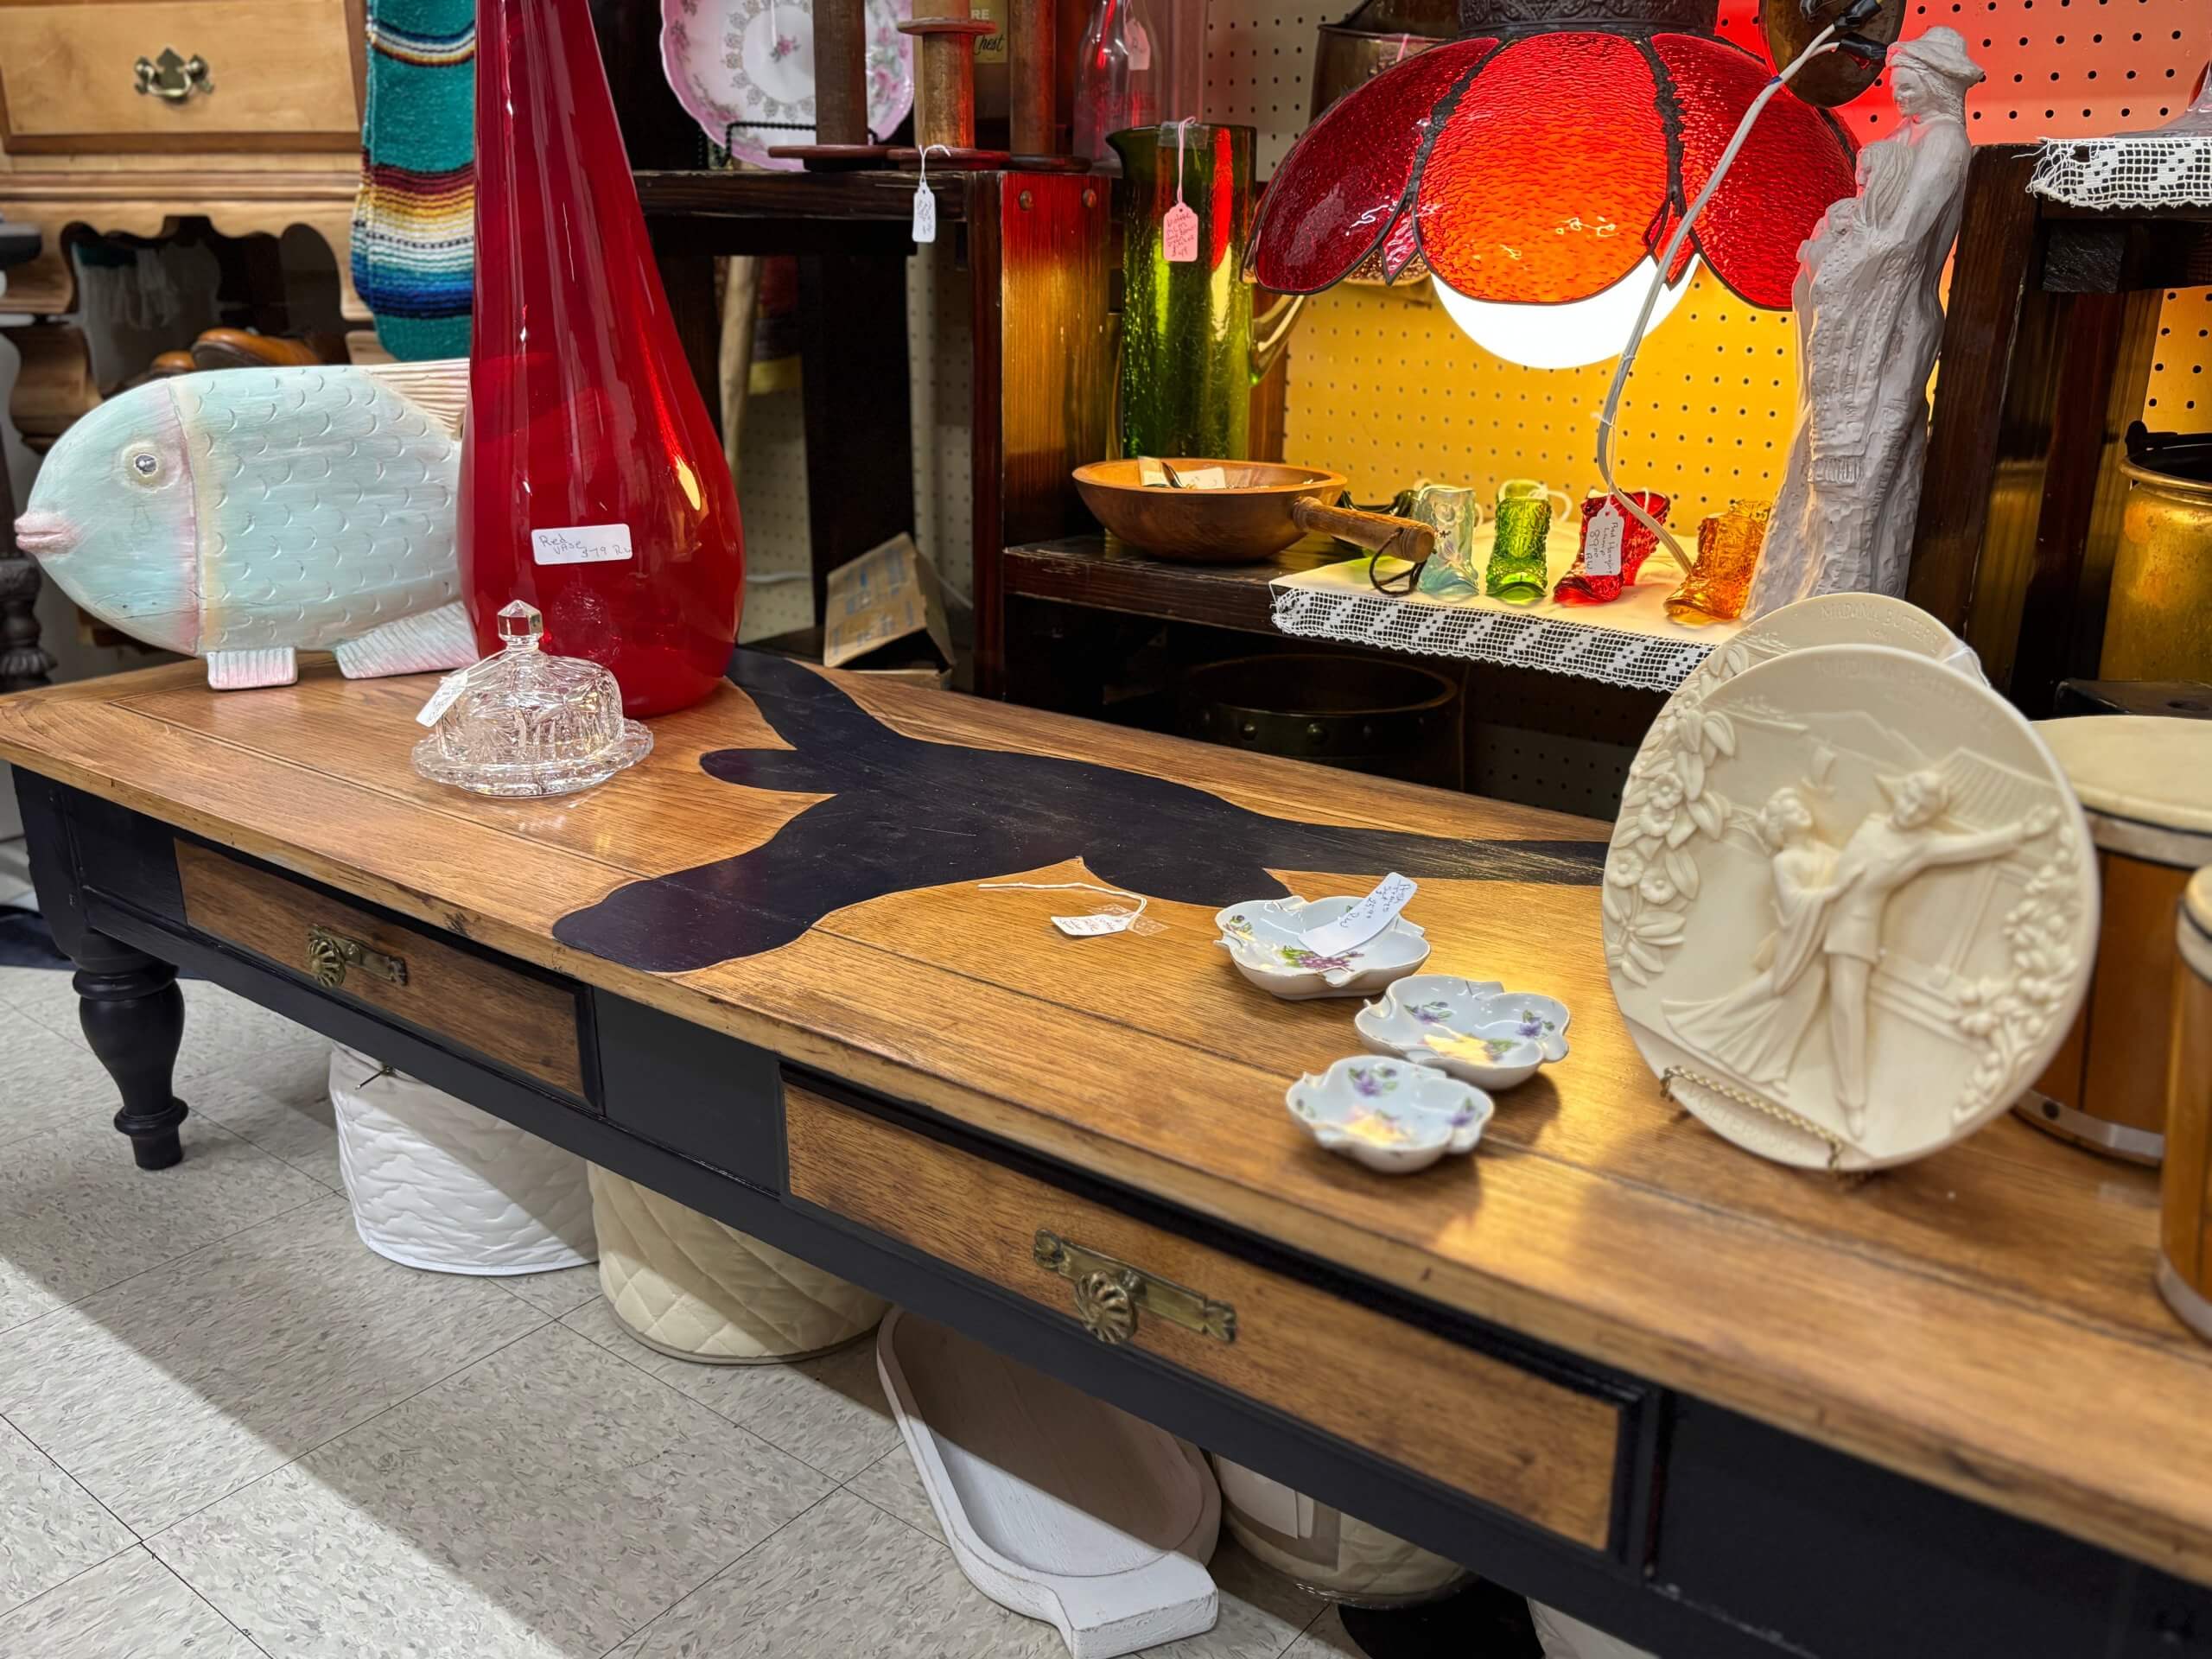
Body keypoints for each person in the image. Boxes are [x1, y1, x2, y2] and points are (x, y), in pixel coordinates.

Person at [1745, 29, 1986, 618]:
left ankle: (1843, 601)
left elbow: (1902, 237)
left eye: (1908, 83)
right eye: (1895, 83)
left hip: (1891, 319)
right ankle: (1801, 595)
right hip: (1861, 307)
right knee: (1824, 464)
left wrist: (1835, 260)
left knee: (1862, 472)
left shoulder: (1946, 141)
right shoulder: (1910, 133)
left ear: (1936, 82)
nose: (1897, 93)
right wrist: (1832, 241)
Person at [1821, 771, 2054, 1136]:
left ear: (1931, 816)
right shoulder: (1870, 825)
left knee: (1847, 1009)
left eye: (1922, 809)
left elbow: (1971, 847)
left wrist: (2021, 831)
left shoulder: (1923, 845)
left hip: (1855, 929)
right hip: (1815, 913)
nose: (1910, 810)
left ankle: (1852, 1103)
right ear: (1901, 792)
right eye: (1910, 798)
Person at [1666, 787, 1850, 1089]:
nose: (1801, 811)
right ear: (1780, 827)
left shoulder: (1824, 853)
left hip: (1819, 943)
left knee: (1800, 1007)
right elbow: (1793, 903)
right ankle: (1714, 1032)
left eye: (1800, 807)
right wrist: (1833, 893)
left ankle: (1767, 1065)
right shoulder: (1785, 862)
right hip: (1798, 943)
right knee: (1782, 999)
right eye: (1791, 811)